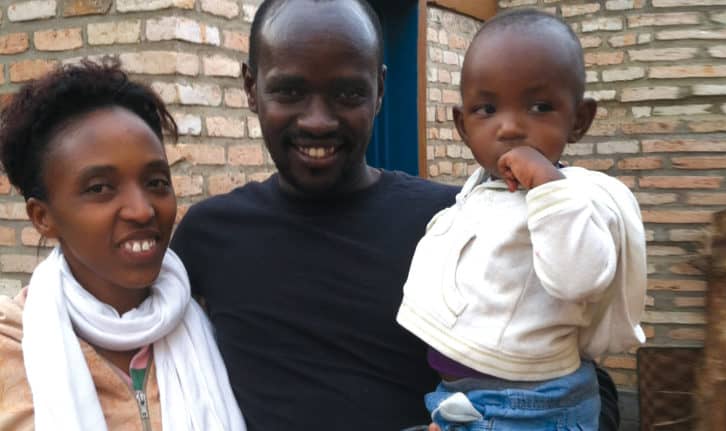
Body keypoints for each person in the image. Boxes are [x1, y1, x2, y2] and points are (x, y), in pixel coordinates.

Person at [171, 0, 622, 430]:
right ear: (252, 89)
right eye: (289, 91)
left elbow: (580, 384)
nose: (317, 121)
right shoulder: (209, 237)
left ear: (380, 91)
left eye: (348, 93)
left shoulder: (454, 226)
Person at [396, 9, 647, 430]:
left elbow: (580, 278)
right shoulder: (477, 193)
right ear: (462, 124)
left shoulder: (575, 200)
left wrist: (549, 186)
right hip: (468, 399)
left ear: (580, 119)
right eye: (487, 108)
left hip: (529, 407)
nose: (510, 127)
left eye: (539, 106)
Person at [0, 59, 245, 431]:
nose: (142, 210)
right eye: (99, 188)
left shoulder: (219, 324)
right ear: (42, 217)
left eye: (157, 182)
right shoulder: (11, 348)